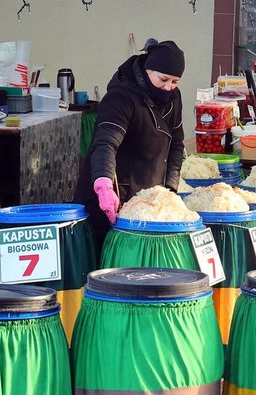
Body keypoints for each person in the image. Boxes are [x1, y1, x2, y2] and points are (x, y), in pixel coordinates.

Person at [73, 39, 185, 245]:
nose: (168, 87)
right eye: (163, 79)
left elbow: (177, 145)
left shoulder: (174, 98)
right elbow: (105, 143)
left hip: (147, 204)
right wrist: (103, 184)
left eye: (175, 82)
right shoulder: (121, 98)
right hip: (112, 199)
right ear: (147, 70)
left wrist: (170, 189)